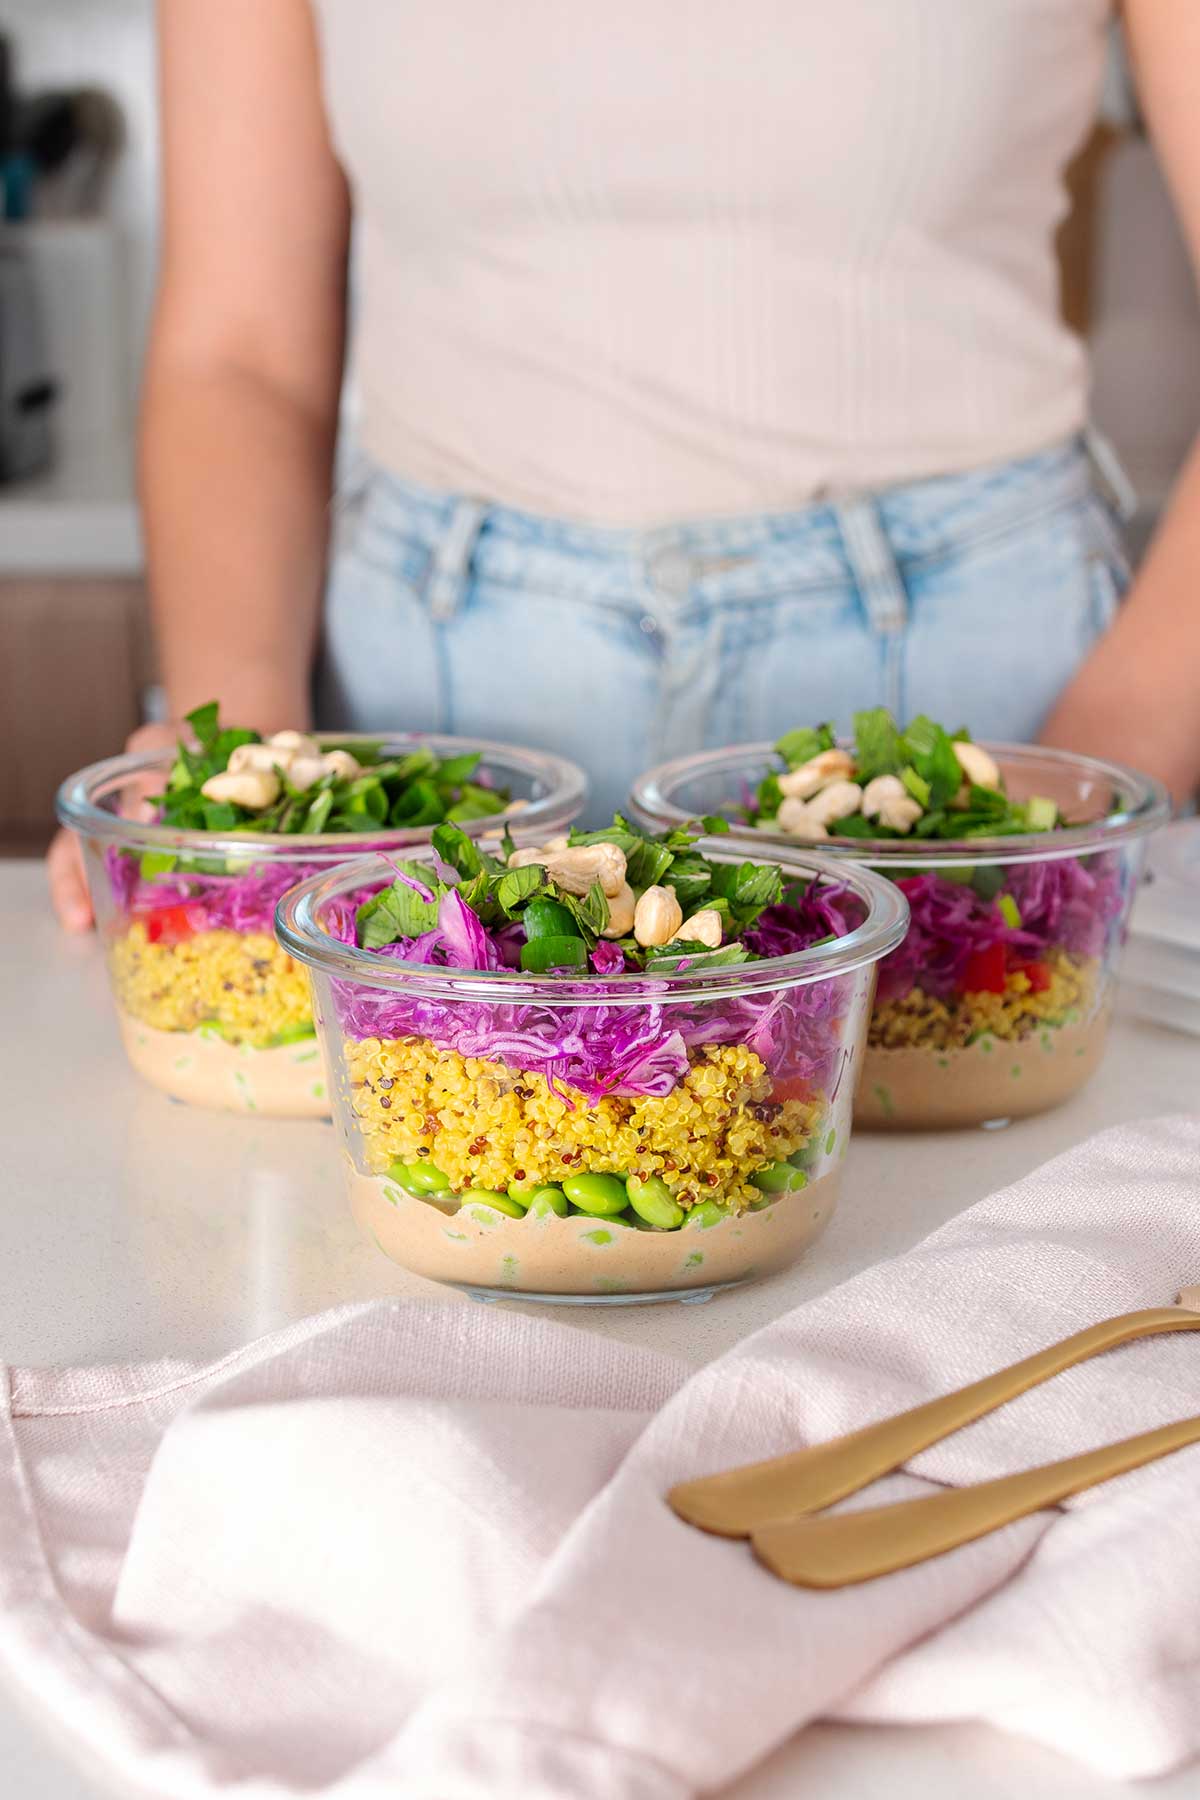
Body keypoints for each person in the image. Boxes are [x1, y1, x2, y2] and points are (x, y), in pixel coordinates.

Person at [50, 0, 1200, 928]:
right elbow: (239, 355)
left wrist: (1100, 786)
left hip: (987, 707)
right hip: (430, 700)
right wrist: (252, 757)